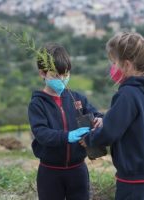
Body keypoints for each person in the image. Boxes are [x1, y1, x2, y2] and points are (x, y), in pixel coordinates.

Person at [80, 32, 144, 200]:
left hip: (133, 171)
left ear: (126, 65)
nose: (112, 68)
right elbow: (126, 122)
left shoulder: (127, 94)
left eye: (114, 62)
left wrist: (89, 139)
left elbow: (110, 133)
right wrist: (105, 120)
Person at [28, 43, 103, 200]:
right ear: (42, 73)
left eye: (66, 74)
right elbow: (41, 133)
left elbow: (96, 114)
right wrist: (67, 136)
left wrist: (99, 120)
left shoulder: (77, 98)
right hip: (50, 171)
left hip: (78, 169)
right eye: (56, 75)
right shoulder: (37, 104)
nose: (62, 79)